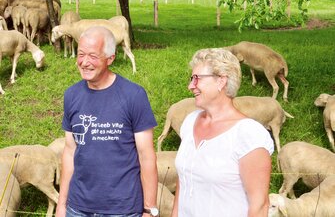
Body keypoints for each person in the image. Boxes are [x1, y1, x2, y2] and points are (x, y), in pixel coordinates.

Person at [56, 26, 159, 217]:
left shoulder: (133, 95)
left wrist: (149, 209)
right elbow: (70, 151)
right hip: (77, 208)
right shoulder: (72, 95)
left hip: (122, 209)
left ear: (110, 58)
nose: (84, 62)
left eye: (93, 56)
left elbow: (147, 156)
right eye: (81, 54)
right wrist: (62, 205)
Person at [171, 48, 274, 217]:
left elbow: (260, 206)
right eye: (191, 79)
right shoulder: (190, 122)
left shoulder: (248, 135)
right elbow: (184, 181)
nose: (191, 86)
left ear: (221, 81)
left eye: (197, 79)